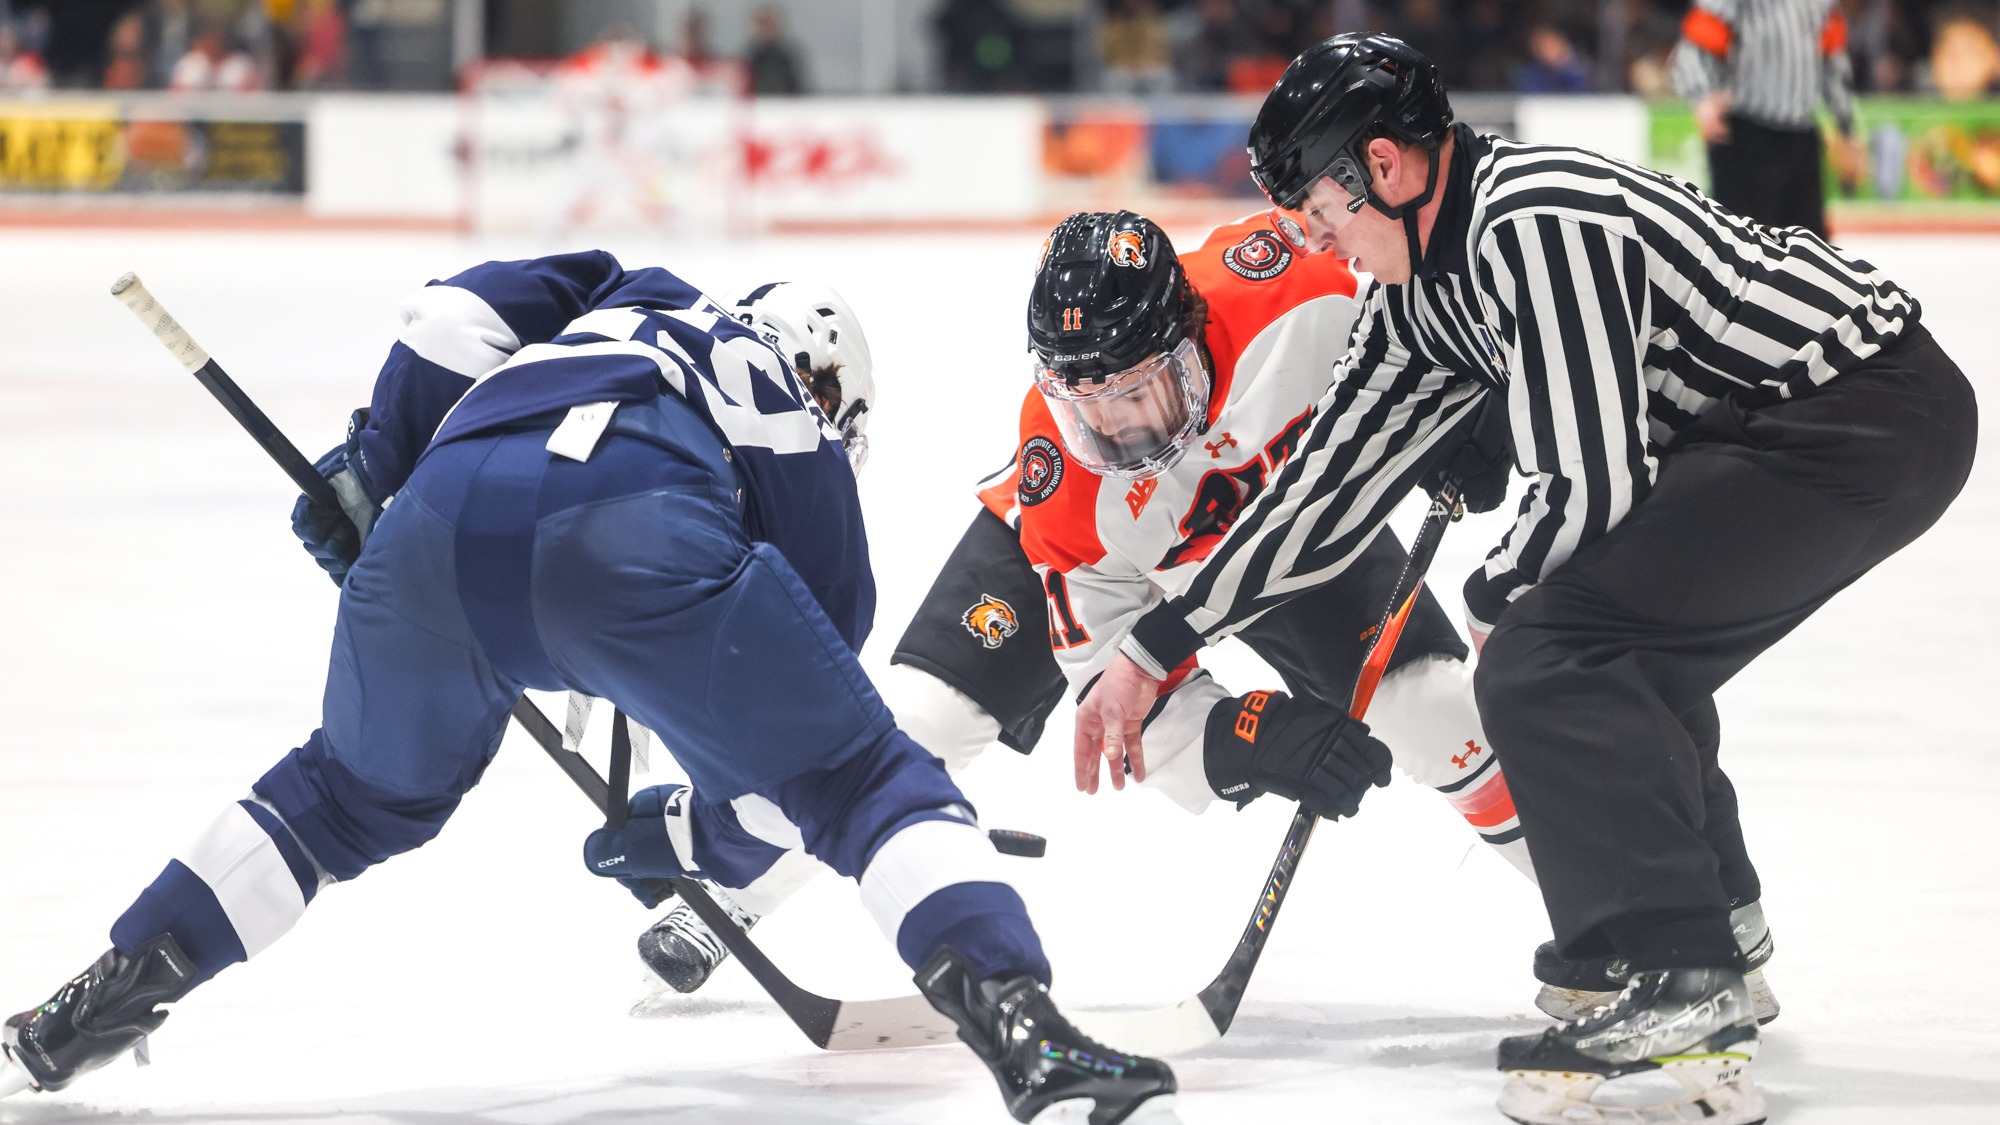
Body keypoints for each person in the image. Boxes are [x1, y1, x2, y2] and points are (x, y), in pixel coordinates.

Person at [0, 253, 1177, 1125]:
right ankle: (1025, 1033)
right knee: (866, 782)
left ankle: (103, 995)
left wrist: (374, 468)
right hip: (632, 534)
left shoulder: (627, 291)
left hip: (434, 533)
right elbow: (796, 778)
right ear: (832, 388)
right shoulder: (794, 423)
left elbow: (456, 315)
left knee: (342, 796)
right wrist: (692, 836)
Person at [1074, 33, 1974, 1125]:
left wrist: (1500, 608)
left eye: (1321, 208)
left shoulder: (1530, 217)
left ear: (1387, 167)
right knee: (1603, 644)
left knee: (1555, 654)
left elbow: (1587, 485)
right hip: (1773, 433)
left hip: (1859, 415)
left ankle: (1674, 977)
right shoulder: (1414, 293)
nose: (1316, 237)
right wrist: (1150, 649)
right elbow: (1317, 498)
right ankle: (1705, 933)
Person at [637, 208, 1540, 998]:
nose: (1112, 428)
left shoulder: (1292, 286)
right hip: (1087, 557)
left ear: (1190, 334)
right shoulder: (1065, 477)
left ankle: (1606, 916)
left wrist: (1476, 399)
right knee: (916, 725)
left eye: (1134, 389)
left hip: (1278, 536)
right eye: (1084, 399)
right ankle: (731, 887)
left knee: (1436, 713)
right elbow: (1109, 685)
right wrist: (1240, 737)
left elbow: (1433, 286)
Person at [1672, 0, 1856, 237]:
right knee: (1744, 244)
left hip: (1801, 137)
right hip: (1747, 136)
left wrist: (1846, 127)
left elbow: (1833, 60)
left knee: (1809, 247)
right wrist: (1703, 98)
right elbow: (1695, 48)